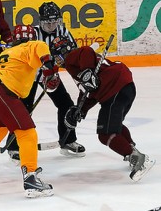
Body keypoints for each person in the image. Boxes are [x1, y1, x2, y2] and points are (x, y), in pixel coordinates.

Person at [0, 24, 59, 198]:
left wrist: (48, 73)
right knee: (27, 132)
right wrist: (50, 71)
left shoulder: (8, 53)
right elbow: (42, 52)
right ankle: (31, 177)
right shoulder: (34, 45)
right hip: (0, 90)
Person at [50, 36, 155, 182]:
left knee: (106, 133)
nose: (57, 60)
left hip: (114, 89)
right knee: (114, 126)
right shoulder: (77, 65)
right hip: (124, 86)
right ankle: (131, 150)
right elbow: (89, 90)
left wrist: (87, 72)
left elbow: (86, 51)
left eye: (56, 55)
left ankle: (137, 158)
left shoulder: (72, 59)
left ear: (62, 52)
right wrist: (81, 109)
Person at [6, 1, 85, 161]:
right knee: (24, 110)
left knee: (66, 105)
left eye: (55, 21)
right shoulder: (32, 33)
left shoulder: (62, 30)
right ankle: (14, 146)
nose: (52, 25)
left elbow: (72, 53)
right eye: (48, 22)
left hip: (51, 76)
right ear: (40, 20)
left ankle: (68, 141)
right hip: (29, 76)